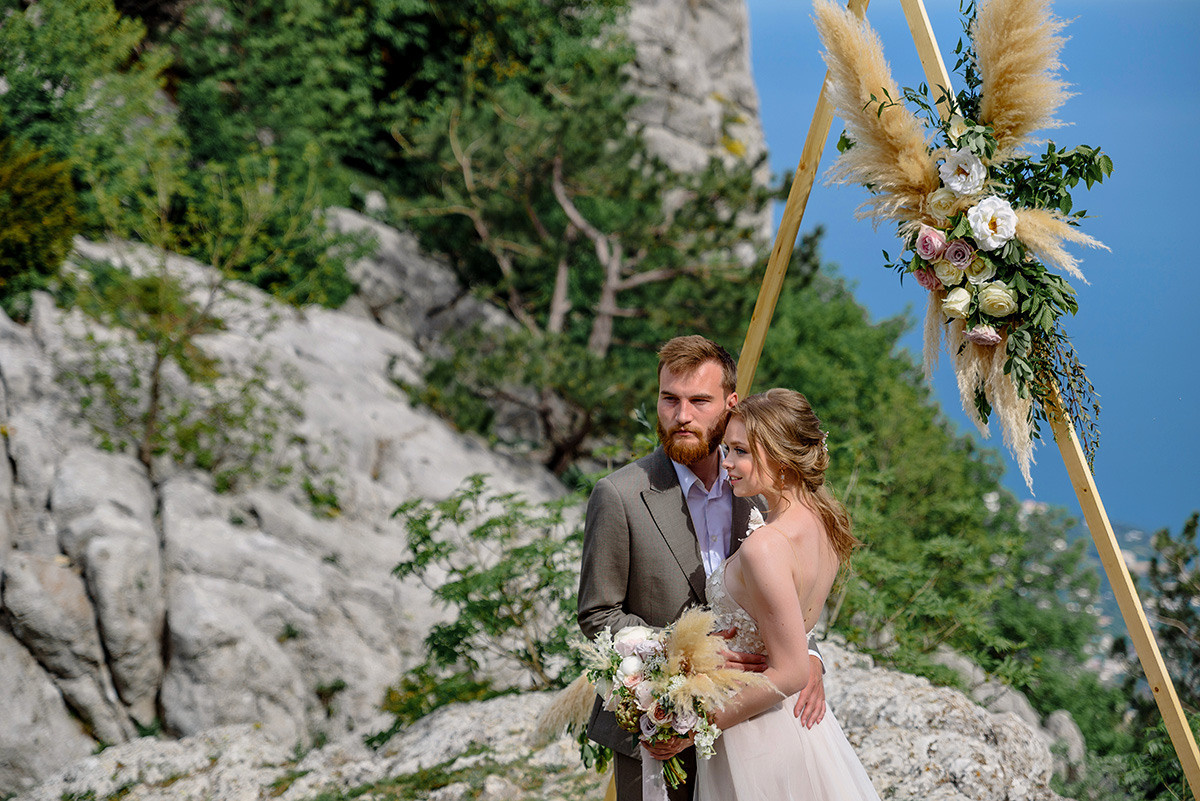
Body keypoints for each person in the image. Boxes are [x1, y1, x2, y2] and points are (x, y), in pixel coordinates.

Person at [577, 336, 826, 801]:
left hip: (752, 729)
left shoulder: (760, 483)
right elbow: (597, 616)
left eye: (699, 401)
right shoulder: (617, 495)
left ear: (730, 404)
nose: (681, 415)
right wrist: (684, 651)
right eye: (669, 399)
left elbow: (792, 585)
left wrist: (810, 658)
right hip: (657, 733)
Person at [696, 388, 880, 800]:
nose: (727, 463)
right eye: (727, 449)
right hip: (805, 729)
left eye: (740, 451)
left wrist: (696, 722)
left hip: (755, 735)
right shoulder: (825, 520)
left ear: (780, 458)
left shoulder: (766, 545)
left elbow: (791, 671)